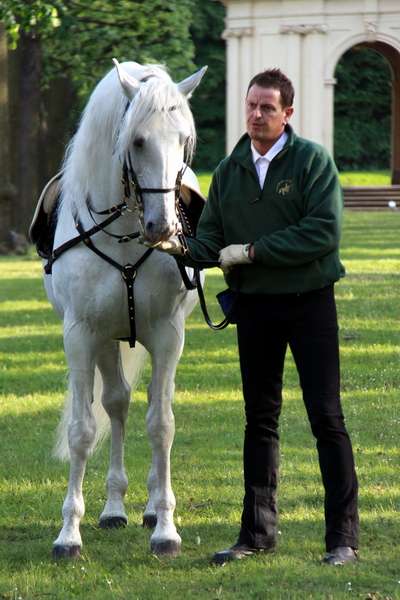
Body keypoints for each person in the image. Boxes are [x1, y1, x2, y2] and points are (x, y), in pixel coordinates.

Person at [154, 68, 360, 566]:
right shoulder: (228, 171)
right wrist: (175, 245)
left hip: (310, 303)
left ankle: (343, 541)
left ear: (288, 113)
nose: (256, 114)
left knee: (326, 419)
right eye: (251, 105)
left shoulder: (312, 161)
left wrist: (252, 251)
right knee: (259, 421)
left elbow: (323, 233)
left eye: (267, 107)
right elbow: (210, 240)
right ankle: (256, 534)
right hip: (257, 310)